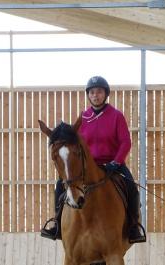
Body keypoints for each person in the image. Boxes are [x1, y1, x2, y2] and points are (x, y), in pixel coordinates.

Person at [40, 75, 146, 244]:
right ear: (88, 95)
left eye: (99, 92)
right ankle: (57, 223)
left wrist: (116, 162)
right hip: (88, 166)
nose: (95, 95)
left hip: (113, 165)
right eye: (92, 92)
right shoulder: (83, 118)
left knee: (132, 188)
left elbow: (126, 142)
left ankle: (133, 226)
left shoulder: (116, 116)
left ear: (105, 94)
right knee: (60, 186)